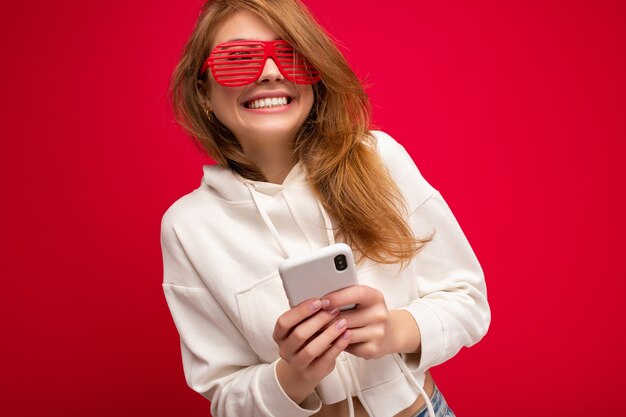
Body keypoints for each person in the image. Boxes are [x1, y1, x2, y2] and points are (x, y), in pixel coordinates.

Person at [161, 1, 491, 416]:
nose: (269, 73)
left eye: (290, 55)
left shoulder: (378, 159)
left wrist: (395, 330)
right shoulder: (188, 228)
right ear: (203, 91)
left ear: (314, 74)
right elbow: (226, 398)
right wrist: (293, 374)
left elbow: (468, 300)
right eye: (238, 59)